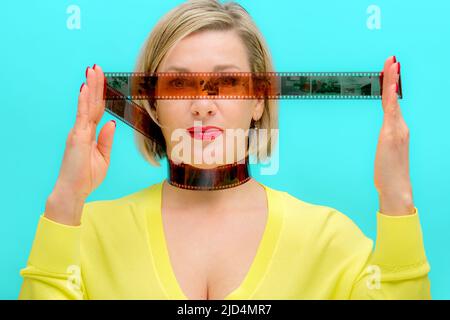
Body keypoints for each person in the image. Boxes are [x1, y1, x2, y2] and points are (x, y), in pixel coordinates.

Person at [18, 0, 431, 300]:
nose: (202, 103)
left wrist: (397, 198)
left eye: (228, 82)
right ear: (153, 104)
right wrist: (64, 203)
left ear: (258, 101)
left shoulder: (330, 241)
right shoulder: (86, 235)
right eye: (178, 84)